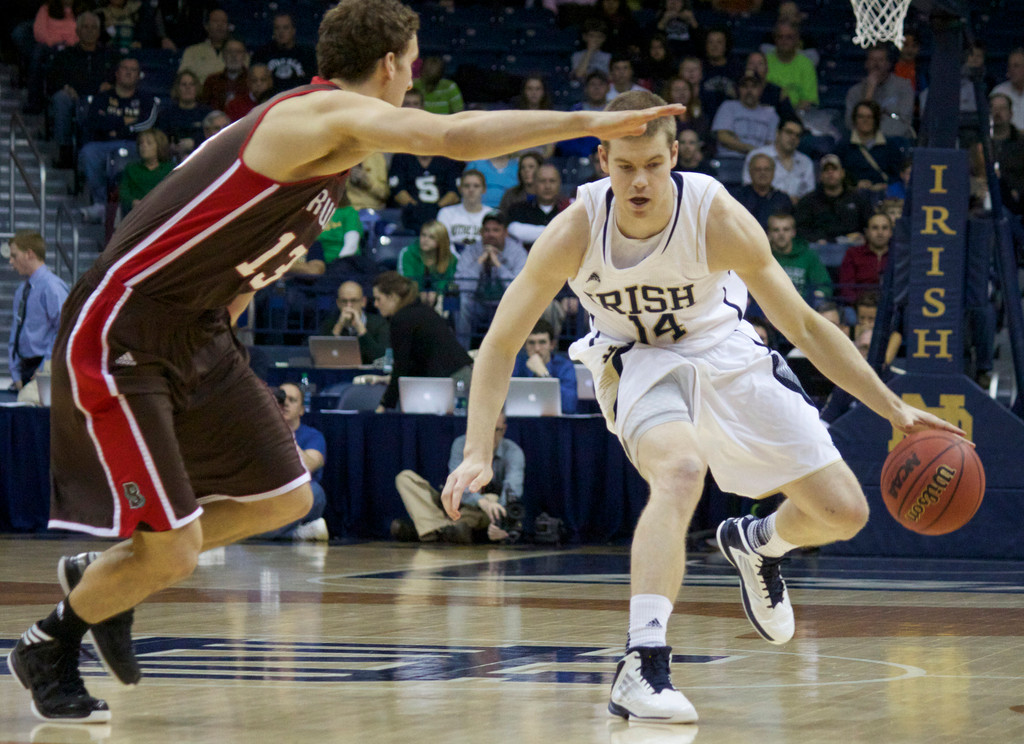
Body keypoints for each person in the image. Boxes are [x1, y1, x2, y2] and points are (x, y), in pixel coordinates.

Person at [5, 0, 685, 723]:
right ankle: (49, 641)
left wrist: (222, 334)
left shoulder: (333, 147)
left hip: (198, 328)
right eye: (413, 66)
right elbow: (454, 136)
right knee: (172, 553)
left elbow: (236, 253)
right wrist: (591, 123)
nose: (413, 81)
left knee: (287, 498)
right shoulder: (318, 116)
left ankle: (113, 577)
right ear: (390, 65)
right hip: (126, 329)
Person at [442, 89, 962, 725]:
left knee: (844, 511)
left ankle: (759, 543)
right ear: (602, 160)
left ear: (675, 156)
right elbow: (499, 342)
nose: (639, 181)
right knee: (681, 471)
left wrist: (892, 409)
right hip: (634, 360)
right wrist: (475, 452)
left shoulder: (715, 216)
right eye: (625, 166)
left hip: (725, 351)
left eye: (653, 165)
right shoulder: (576, 229)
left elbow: (801, 322)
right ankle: (644, 661)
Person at [393, 411, 523, 544]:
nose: (489, 436)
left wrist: (498, 522)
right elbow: (456, 485)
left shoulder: (513, 452)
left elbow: (511, 492)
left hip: (480, 512)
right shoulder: (461, 444)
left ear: (504, 430)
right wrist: (480, 501)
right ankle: (445, 530)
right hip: (456, 502)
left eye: (495, 430)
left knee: (493, 499)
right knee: (405, 478)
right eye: (485, 430)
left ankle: (429, 530)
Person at [360, 272, 475, 412]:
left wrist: (384, 405)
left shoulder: (401, 319)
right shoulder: (421, 311)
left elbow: (402, 366)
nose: (376, 304)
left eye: (378, 299)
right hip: (463, 374)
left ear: (393, 297)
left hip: (452, 381)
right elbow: (414, 362)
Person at [77, 55, 158, 223]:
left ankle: (133, 206)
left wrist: (115, 127)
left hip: (135, 144)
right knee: (88, 152)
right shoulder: (103, 97)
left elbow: (147, 124)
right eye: (125, 69)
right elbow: (93, 122)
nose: (128, 73)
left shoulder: (146, 100)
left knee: (146, 151)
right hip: (103, 144)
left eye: (133, 70)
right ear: (117, 73)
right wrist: (126, 124)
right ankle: (100, 203)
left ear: (139, 75)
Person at [255, 383, 329, 542]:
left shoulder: (313, 436)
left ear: (302, 410)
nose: (285, 404)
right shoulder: (260, 434)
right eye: (281, 399)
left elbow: (308, 466)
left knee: (316, 492)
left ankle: (246, 535)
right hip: (267, 495)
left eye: (292, 400)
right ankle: (297, 533)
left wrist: (285, 435)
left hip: (296, 495)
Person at [5, 231, 69, 397]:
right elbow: (16, 330)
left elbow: (64, 329)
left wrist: (45, 367)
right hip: (25, 367)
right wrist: (15, 371)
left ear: (29, 254)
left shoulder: (52, 287)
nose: (11, 262)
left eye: (14, 256)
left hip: (43, 366)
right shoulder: (22, 290)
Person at [46, 11, 112, 169]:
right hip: (75, 99)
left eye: (93, 27)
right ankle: (65, 152)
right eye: (85, 27)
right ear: (77, 30)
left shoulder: (110, 56)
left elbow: (116, 80)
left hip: (101, 101)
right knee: (61, 98)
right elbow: (52, 82)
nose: (89, 31)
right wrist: (66, 88)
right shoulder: (65, 56)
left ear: (99, 31)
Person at [454, 212, 528, 349]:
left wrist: (498, 265)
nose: (490, 234)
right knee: (462, 301)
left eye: (496, 230)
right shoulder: (471, 251)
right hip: (479, 305)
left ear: (505, 232)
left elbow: (518, 288)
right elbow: (463, 286)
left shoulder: (518, 253)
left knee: (523, 304)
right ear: (481, 233)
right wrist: (480, 262)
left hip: (506, 306)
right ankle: (461, 353)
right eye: (487, 230)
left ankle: (519, 356)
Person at [794, 155, 873, 244]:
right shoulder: (808, 201)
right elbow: (800, 229)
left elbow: (870, 224)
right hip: (821, 249)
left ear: (842, 173)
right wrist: (817, 239)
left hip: (853, 249)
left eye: (834, 169)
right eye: (826, 170)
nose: (830, 173)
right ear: (820, 176)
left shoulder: (858, 199)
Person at [844, 45, 915, 139]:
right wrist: (869, 92)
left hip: (896, 140)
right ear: (866, 63)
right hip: (866, 142)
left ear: (888, 64)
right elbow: (851, 125)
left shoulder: (904, 86)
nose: (876, 64)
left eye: (881, 60)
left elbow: (905, 121)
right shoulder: (854, 92)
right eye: (873, 60)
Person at [834, 100, 903, 192]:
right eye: (861, 117)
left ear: (876, 120)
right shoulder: (843, 145)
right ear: (855, 119)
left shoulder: (890, 146)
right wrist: (854, 184)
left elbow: (898, 174)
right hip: (852, 195)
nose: (865, 121)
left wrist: (885, 186)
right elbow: (836, 174)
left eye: (869, 117)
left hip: (885, 195)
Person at [510, 319, 577, 414]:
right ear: (525, 345)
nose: (537, 348)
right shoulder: (516, 364)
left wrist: (543, 374)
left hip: (554, 423)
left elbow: (569, 405)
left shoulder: (564, 366)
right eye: (531, 343)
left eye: (542, 342)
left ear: (552, 345)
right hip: (522, 421)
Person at [317, 280, 390, 365]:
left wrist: (362, 331)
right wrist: (338, 327)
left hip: (370, 375)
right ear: (338, 303)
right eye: (344, 301)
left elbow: (381, 358)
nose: (349, 306)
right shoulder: (330, 324)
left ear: (363, 302)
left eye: (354, 301)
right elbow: (322, 359)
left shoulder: (379, 324)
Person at [766, 212, 832, 304]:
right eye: (776, 230)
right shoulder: (763, 256)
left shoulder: (808, 255)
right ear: (769, 233)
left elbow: (824, 285)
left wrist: (818, 294)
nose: (781, 234)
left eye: (786, 229)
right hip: (769, 306)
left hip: (804, 306)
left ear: (793, 232)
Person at [388, 149, 462, 232]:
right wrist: (416, 209)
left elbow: (454, 192)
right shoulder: (402, 157)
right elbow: (398, 191)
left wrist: (436, 209)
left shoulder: (448, 158)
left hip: (442, 217)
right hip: (409, 217)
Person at [711, 73, 779, 161]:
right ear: (738, 89)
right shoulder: (728, 106)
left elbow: (771, 143)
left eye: (754, 86)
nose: (749, 90)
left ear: (761, 89)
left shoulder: (770, 113)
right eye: (744, 86)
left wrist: (755, 153)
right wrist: (749, 148)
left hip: (759, 162)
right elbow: (723, 137)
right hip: (730, 159)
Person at [742, 119, 814, 202]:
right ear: (777, 133)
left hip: (797, 210)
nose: (793, 138)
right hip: (761, 207)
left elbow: (810, 194)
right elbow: (748, 188)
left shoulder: (806, 162)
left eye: (797, 135)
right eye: (789, 132)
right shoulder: (757, 155)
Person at [397, 220, 459, 308]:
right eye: (423, 235)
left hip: (441, 298)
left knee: (450, 299)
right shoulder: (407, 253)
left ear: (441, 240)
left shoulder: (451, 259)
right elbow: (406, 280)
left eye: (431, 237)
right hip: (412, 297)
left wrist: (438, 292)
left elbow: (449, 281)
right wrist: (419, 292)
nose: (425, 240)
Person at [508, 164, 571, 249]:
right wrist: (558, 232)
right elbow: (514, 231)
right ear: (534, 184)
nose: (547, 186)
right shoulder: (518, 209)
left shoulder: (569, 209)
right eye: (542, 181)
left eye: (552, 181)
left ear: (559, 184)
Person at [252, 12, 316, 93]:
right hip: (270, 100)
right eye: (277, 28)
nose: (281, 32)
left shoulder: (307, 54)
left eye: (285, 28)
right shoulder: (262, 54)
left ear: (293, 30)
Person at [156, 70, 212, 160]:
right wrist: (170, 147)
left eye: (191, 84)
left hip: (203, 157)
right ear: (177, 89)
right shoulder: (166, 114)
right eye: (184, 84)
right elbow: (160, 138)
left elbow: (213, 135)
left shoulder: (207, 113)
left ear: (196, 88)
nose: (188, 88)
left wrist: (194, 143)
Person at [837, 212, 892, 305]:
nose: (880, 232)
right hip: (858, 307)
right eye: (875, 228)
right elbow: (846, 288)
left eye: (885, 228)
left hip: (890, 307)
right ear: (867, 232)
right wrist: (859, 304)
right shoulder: (853, 254)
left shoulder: (899, 255)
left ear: (891, 232)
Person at [765, 20, 818, 112]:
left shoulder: (806, 64)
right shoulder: (764, 61)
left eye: (789, 37)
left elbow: (808, 100)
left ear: (797, 39)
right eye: (780, 37)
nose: (784, 41)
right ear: (775, 39)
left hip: (795, 115)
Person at [119, 127, 173, 215]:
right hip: (136, 215)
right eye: (141, 143)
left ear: (159, 146)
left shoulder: (170, 169)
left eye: (149, 143)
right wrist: (133, 202)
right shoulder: (131, 169)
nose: (143, 146)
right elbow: (124, 193)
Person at [735, 154, 793, 229]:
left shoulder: (783, 199)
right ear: (750, 172)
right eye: (758, 169)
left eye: (767, 169)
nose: (763, 173)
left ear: (773, 172)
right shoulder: (738, 197)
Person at [176, 7, 231, 87]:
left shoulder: (239, 52)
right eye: (215, 21)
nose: (220, 25)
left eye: (224, 22)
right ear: (206, 26)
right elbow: (183, 80)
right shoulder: (192, 51)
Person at [437, 169, 489, 250]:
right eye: (466, 186)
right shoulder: (446, 213)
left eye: (476, 186)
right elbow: (443, 244)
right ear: (460, 189)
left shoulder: (492, 214)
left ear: (484, 189)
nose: (471, 190)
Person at [200, 38, 248, 111]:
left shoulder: (252, 80)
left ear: (245, 55)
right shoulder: (211, 81)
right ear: (223, 55)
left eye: (238, 52)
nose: (233, 56)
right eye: (229, 52)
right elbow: (204, 108)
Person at [990, 48, 1024, 131]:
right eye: (1009, 66)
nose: (1011, 70)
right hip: (1007, 142)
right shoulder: (999, 91)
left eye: (1016, 66)